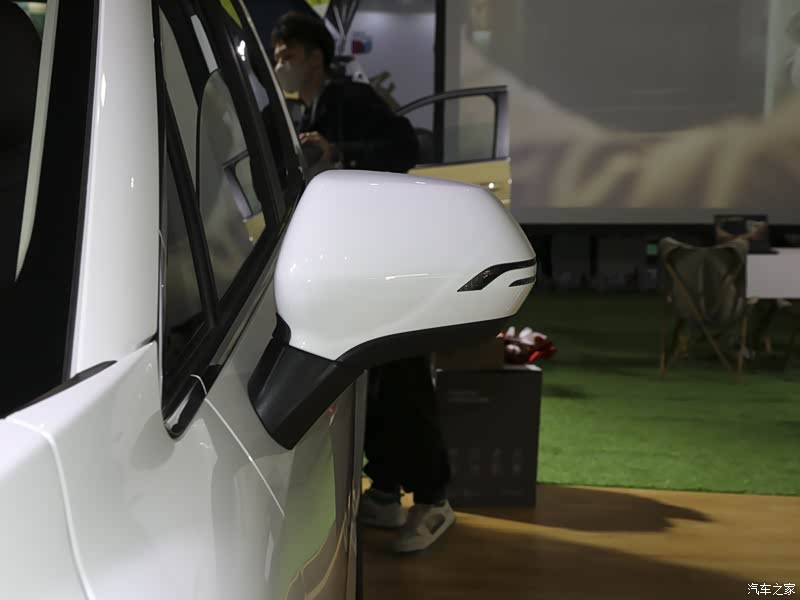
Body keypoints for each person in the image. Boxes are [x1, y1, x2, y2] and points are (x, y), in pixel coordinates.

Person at [271, 12, 457, 553]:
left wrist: (340, 154)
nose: (280, 64)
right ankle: (386, 488)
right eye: (277, 55)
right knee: (364, 381)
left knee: (401, 377)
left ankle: (433, 498)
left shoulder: (351, 100)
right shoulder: (295, 112)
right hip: (339, 265)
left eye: (287, 54)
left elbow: (404, 147)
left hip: (381, 262)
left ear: (314, 56)